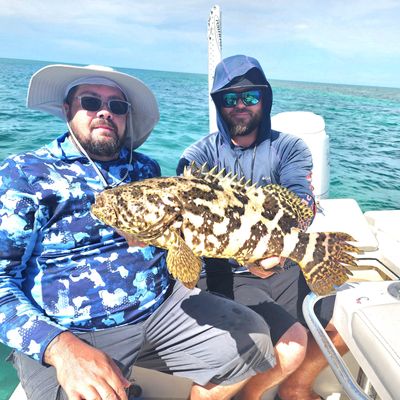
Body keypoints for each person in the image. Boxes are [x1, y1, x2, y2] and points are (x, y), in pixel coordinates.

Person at [0, 64, 277, 400]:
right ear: (67, 108)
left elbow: (184, 239)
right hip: (70, 329)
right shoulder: (23, 174)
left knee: (255, 340)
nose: (105, 112)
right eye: (91, 102)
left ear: (126, 117)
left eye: (117, 106)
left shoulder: (144, 168)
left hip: (163, 309)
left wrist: (247, 253)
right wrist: (60, 348)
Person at [177, 54, 348, 400]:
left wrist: (277, 252)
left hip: (282, 260)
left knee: (350, 319)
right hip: (226, 271)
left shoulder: (289, 148)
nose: (240, 105)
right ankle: (250, 396)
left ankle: (295, 388)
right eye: (230, 98)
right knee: (291, 347)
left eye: (250, 96)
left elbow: (301, 200)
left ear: (265, 99)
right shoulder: (197, 158)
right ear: (219, 104)